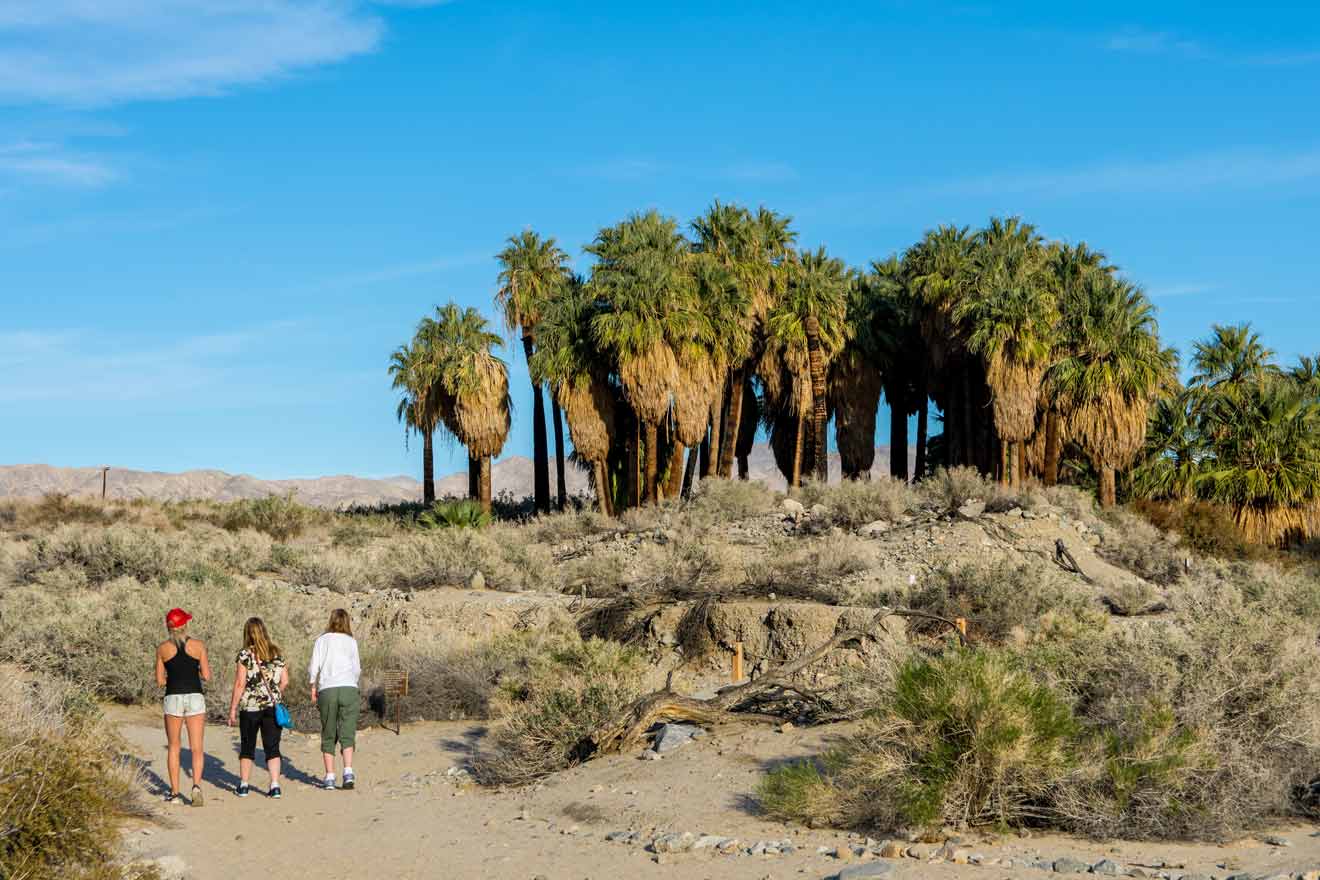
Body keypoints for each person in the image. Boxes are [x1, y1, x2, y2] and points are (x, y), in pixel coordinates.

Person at [155, 607, 211, 806]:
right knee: (196, 747)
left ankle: (175, 792)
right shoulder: (198, 645)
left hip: (173, 697)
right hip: (195, 696)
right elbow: (206, 675)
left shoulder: (163, 649)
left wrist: (174, 675)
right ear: (185, 625)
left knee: (174, 747)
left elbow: (160, 681)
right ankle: (196, 786)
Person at [227, 617, 289, 799]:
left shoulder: (245, 655)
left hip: (250, 706)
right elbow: (285, 681)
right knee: (272, 747)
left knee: (247, 746)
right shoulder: (276, 653)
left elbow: (240, 683)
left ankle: (244, 785)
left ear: (247, 634)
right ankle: (275, 785)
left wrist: (232, 708)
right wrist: (275, 693)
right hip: (271, 706)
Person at [308, 608, 361, 791]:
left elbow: (314, 665)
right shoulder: (351, 641)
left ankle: (330, 776)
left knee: (328, 731)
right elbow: (356, 668)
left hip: (328, 688)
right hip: (348, 687)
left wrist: (312, 685)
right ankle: (348, 772)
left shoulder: (322, 640)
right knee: (348, 731)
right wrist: (353, 683)